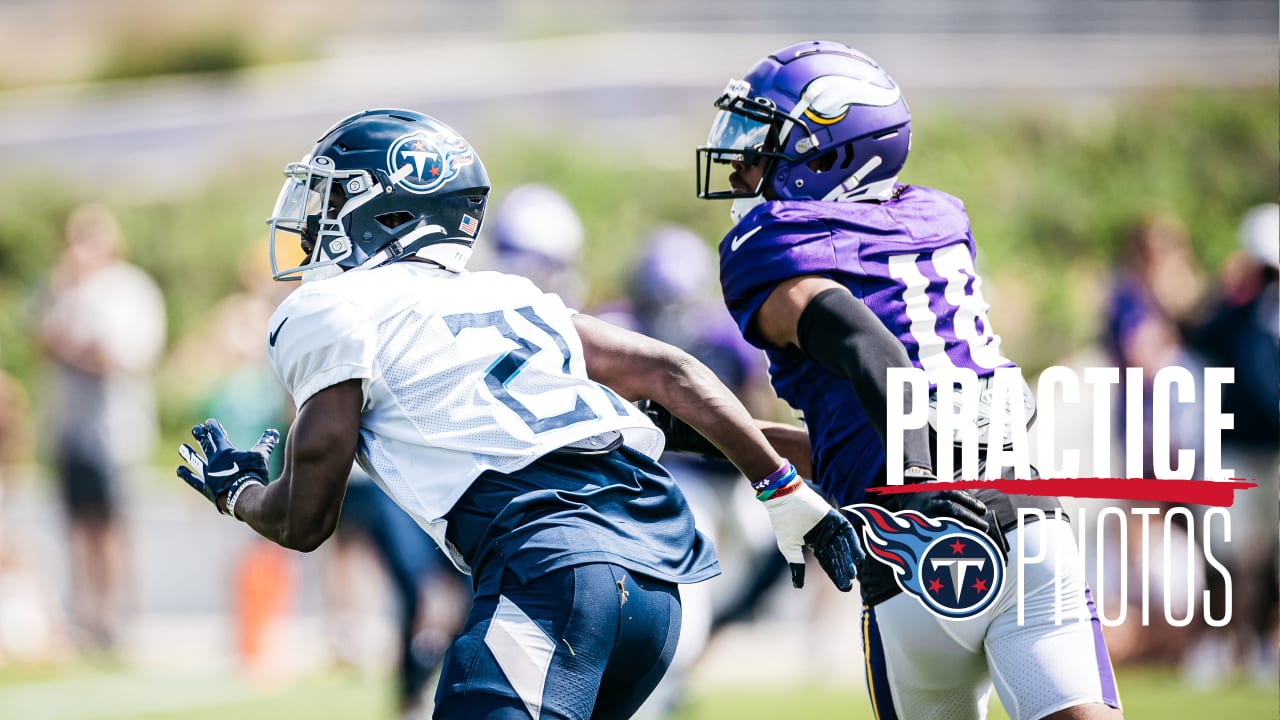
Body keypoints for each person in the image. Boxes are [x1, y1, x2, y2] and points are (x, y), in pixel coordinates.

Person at [173, 108, 860, 719]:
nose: (313, 216)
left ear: (389, 213)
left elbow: (305, 518)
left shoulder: (332, 308)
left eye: (331, 196)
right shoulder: (511, 296)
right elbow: (668, 377)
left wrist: (241, 494)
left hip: (549, 570)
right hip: (656, 592)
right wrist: (787, 479)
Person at [694, 41, 1123, 719]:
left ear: (829, 155)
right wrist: (696, 429)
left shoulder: (771, 247)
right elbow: (879, 417)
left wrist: (927, 484)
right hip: (1032, 524)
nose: (743, 164)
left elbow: (863, 343)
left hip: (917, 547)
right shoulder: (935, 220)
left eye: (762, 143)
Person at [38, 203, 166, 653]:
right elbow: (44, 340)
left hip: (114, 430)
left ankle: (119, 618)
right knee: (77, 526)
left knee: (113, 525)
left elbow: (126, 356)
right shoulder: (62, 289)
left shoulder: (129, 290)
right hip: (69, 425)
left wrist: (79, 352)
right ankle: (86, 615)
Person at [1182, 202, 1279, 686]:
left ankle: (1262, 646)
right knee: (1227, 553)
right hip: (1236, 449)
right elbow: (1196, 331)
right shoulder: (1235, 314)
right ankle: (1223, 646)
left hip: (1274, 453)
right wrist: (1229, 290)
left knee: (1266, 557)